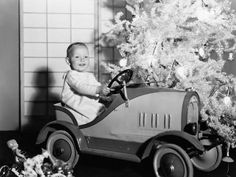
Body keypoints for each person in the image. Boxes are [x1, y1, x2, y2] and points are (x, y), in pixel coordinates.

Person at [61, 42, 110, 124]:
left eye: (85, 57)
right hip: (75, 104)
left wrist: (104, 91)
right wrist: (98, 89)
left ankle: (98, 125)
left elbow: (96, 85)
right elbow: (80, 87)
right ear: (68, 60)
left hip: (86, 102)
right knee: (96, 111)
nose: (82, 60)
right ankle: (88, 126)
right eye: (77, 57)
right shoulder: (71, 75)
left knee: (104, 108)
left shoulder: (89, 75)